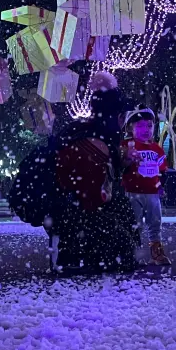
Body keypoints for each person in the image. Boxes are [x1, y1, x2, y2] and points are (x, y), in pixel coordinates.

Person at [50, 83, 139, 273]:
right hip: (75, 209)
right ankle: (80, 255)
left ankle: (92, 255)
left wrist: (123, 161)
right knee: (116, 229)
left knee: (122, 210)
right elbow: (90, 192)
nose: (123, 123)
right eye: (122, 117)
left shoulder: (87, 132)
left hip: (74, 205)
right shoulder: (95, 143)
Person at [122, 108, 170, 265]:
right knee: (134, 223)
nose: (146, 130)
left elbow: (161, 171)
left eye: (149, 125)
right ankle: (129, 253)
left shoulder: (157, 149)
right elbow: (120, 166)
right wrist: (127, 157)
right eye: (140, 126)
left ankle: (156, 252)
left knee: (155, 222)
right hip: (132, 192)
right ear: (131, 127)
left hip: (152, 193)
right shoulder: (127, 145)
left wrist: (160, 186)